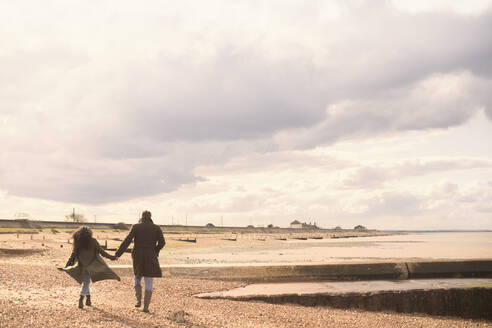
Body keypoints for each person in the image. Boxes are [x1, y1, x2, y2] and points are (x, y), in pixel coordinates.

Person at [115, 211, 165, 313]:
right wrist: (155, 250)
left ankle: (138, 300)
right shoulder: (156, 228)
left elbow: (127, 241)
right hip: (150, 255)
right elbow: (162, 243)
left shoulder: (136, 227)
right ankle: (146, 307)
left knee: (137, 276)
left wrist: (118, 254)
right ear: (150, 217)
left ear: (141, 217)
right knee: (149, 279)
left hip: (138, 255)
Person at [61, 226, 120, 309]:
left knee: (86, 282)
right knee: (86, 283)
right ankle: (81, 298)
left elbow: (73, 254)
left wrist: (67, 264)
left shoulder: (78, 242)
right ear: (89, 233)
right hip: (91, 265)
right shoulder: (93, 241)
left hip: (81, 265)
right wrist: (113, 257)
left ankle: (88, 299)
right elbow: (102, 252)